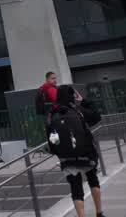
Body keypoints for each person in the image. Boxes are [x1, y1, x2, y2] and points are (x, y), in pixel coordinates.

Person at [47, 86, 104, 217]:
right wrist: (83, 100)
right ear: (72, 96)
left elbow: (50, 138)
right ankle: (99, 212)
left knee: (76, 188)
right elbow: (96, 116)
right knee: (93, 179)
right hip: (86, 153)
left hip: (67, 157)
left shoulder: (52, 114)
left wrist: (59, 153)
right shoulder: (78, 110)